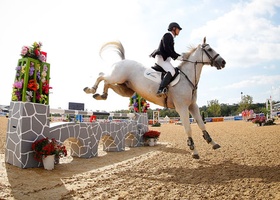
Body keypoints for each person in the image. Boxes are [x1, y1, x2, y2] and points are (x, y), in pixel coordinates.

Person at [150, 22, 183, 96]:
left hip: (165, 59)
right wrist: (177, 57)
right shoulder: (167, 35)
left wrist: (180, 56)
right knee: (172, 71)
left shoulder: (171, 37)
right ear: (173, 28)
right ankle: (160, 89)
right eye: (178, 29)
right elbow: (167, 49)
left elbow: (172, 51)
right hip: (162, 58)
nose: (179, 31)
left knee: (175, 70)